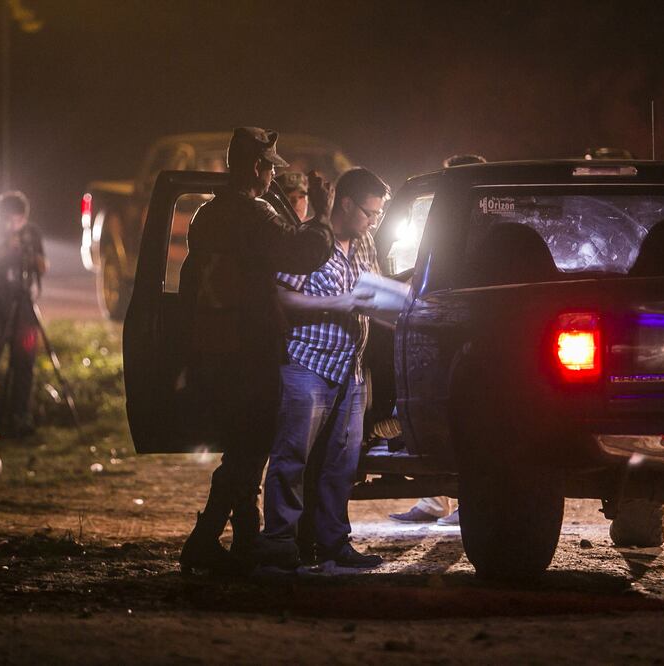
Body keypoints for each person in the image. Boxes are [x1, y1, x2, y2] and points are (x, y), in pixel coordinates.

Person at [177, 127, 335, 574]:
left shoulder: (206, 215)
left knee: (241, 443)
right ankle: (204, 539)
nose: (271, 176)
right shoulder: (253, 214)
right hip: (248, 348)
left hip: (214, 347)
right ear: (255, 167)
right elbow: (301, 254)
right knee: (252, 447)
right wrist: (321, 216)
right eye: (268, 167)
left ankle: (247, 538)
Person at [261, 167, 390, 569]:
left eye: (379, 214)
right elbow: (283, 299)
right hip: (308, 365)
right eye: (370, 212)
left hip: (351, 369)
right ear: (346, 204)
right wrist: (342, 304)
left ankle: (333, 542)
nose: (375, 221)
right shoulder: (310, 243)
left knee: (342, 464)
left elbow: (375, 290)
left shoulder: (365, 242)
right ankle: (281, 543)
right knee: (291, 459)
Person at [389, 153, 487, 527]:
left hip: (461, 325)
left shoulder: (469, 217)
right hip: (451, 323)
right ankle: (436, 499)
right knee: (443, 410)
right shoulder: (461, 216)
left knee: (459, 412)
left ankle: (463, 502)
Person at [0, 191, 47, 438]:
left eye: (19, 220)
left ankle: (20, 416)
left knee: (25, 360)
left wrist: (31, 255)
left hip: (23, 305)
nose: (13, 225)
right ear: (0, 215)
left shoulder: (31, 233)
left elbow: (42, 267)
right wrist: (6, 246)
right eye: (9, 219)